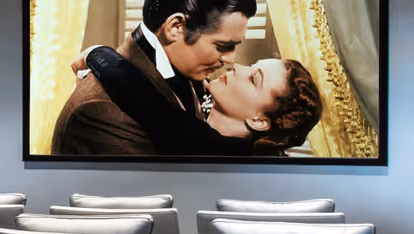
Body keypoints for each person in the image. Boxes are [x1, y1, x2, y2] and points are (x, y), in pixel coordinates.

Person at [49, 0, 256, 156]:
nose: (231, 60)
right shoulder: (102, 112)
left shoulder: (191, 76)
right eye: (223, 46)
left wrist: (97, 54)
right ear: (176, 27)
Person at [85, 45, 325, 156]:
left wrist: (95, 53)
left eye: (253, 79)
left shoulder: (217, 149)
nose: (237, 66)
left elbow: (137, 92)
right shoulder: (197, 96)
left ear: (259, 120)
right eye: (251, 66)